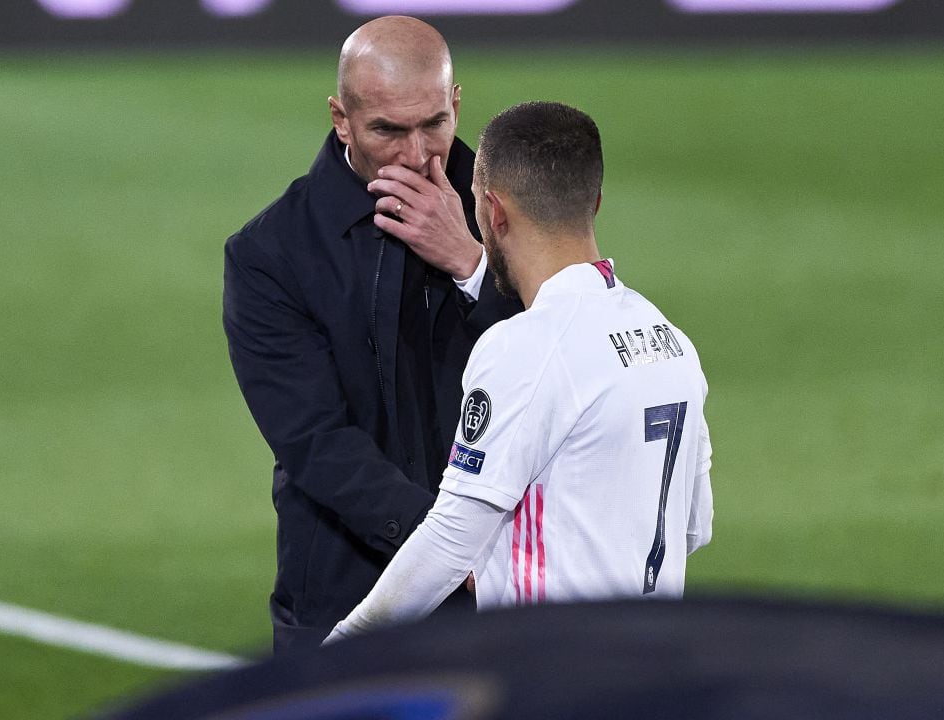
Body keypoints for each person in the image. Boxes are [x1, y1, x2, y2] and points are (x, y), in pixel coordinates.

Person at [326, 101, 714, 642]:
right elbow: (693, 527)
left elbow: (450, 540)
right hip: (649, 671)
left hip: (552, 673)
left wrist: (339, 647)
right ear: (595, 203)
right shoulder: (672, 343)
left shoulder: (525, 346)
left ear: (491, 211)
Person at [222, 16, 522, 654]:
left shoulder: (514, 216)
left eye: (435, 124)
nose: (417, 155)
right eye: (388, 130)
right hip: (349, 593)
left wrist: (472, 266)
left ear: (456, 103)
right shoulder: (273, 253)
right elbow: (316, 442)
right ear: (342, 119)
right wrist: (447, 547)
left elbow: (576, 362)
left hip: (508, 591)